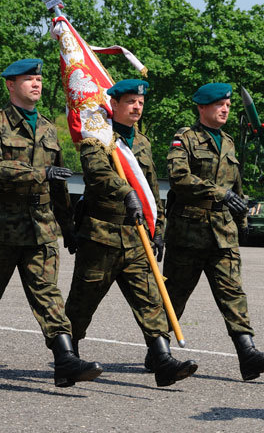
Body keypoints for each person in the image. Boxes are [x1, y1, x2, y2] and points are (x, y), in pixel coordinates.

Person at [0, 58, 102, 388]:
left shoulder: (48, 128)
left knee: (49, 295)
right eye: (28, 80)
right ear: (11, 85)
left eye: (38, 79)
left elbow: (59, 184)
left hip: (41, 228)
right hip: (1, 229)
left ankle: (65, 359)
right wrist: (39, 173)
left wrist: (67, 225)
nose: (36, 84)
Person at [64, 79, 198, 387]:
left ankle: (162, 361)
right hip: (102, 236)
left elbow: (151, 190)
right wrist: (126, 192)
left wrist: (158, 228)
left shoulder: (142, 142)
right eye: (130, 102)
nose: (136, 106)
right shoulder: (96, 137)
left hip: (137, 235)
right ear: (114, 104)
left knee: (150, 300)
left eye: (140, 102)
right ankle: (67, 358)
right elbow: (97, 174)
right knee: (82, 304)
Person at [163, 82, 264, 381]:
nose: (226, 108)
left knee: (233, 295)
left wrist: (241, 222)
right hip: (188, 233)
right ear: (202, 107)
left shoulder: (228, 142)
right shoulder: (185, 138)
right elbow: (179, 177)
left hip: (222, 234)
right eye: (219, 104)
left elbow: (236, 188)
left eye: (228, 105)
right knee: (174, 296)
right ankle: (158, 353)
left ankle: (248, 355)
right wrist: (218, 193)